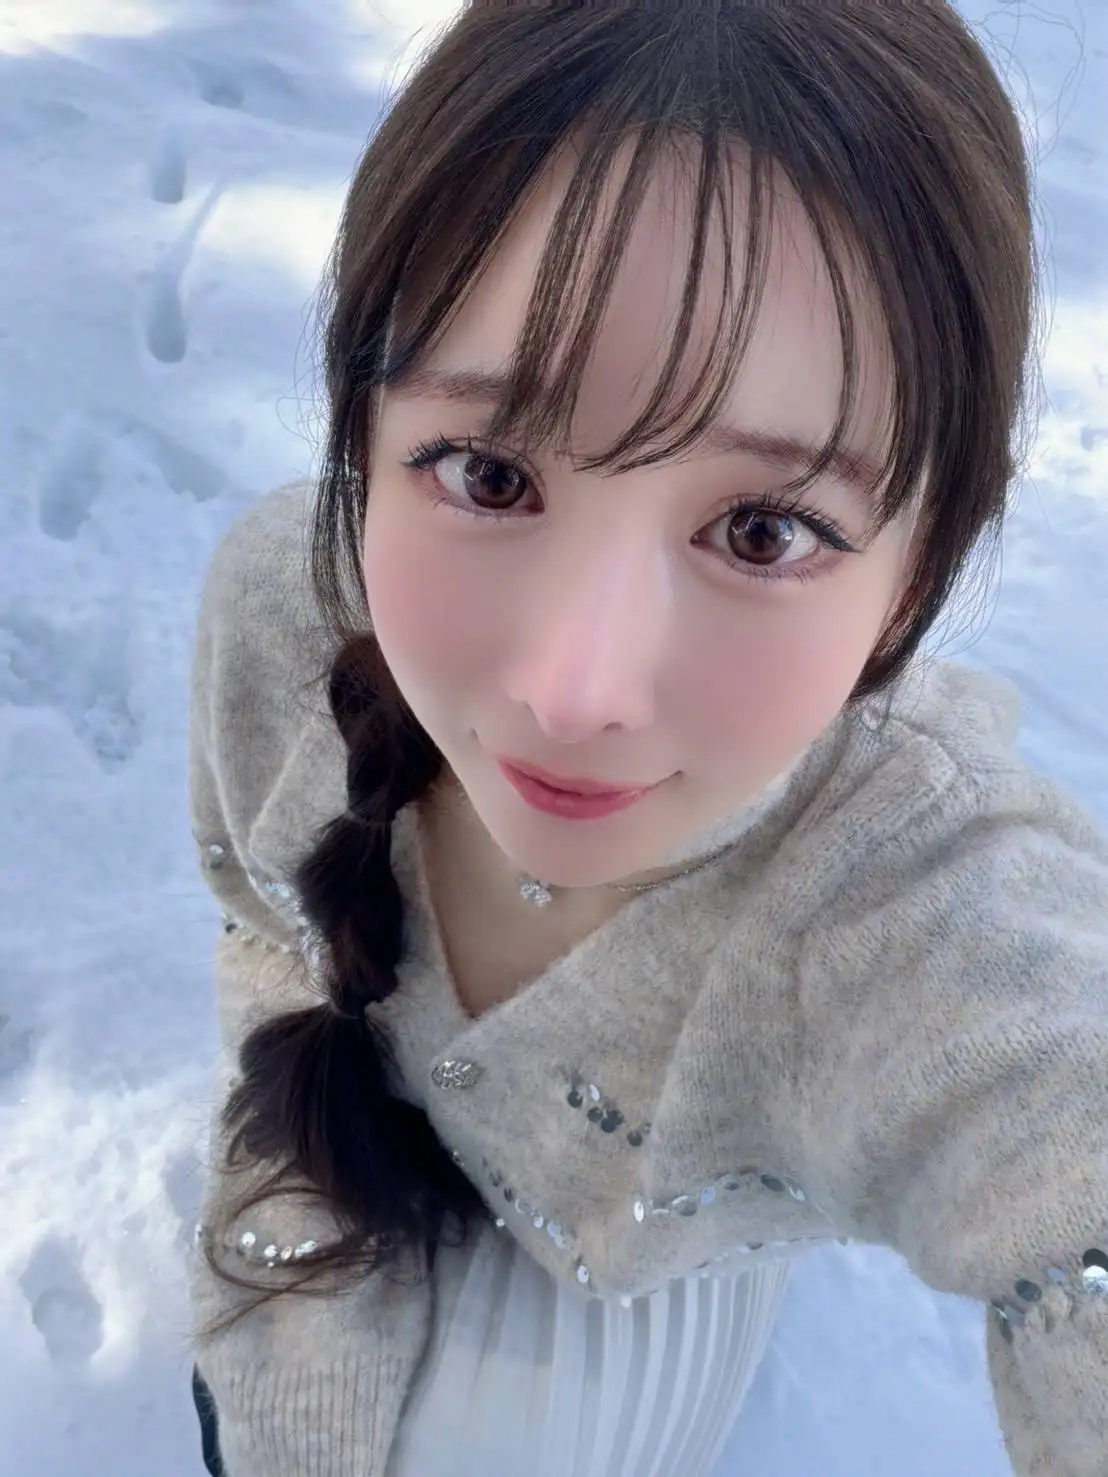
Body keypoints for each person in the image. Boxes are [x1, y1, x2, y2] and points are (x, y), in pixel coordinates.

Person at [185, 3, 1108, 1474]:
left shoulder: (907, 905)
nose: (577, 692)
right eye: (488, 473)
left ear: (916, 572)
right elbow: (274, 937)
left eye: (764, 530)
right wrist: (296, 1347)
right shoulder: (279, 622)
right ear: (359, 434)